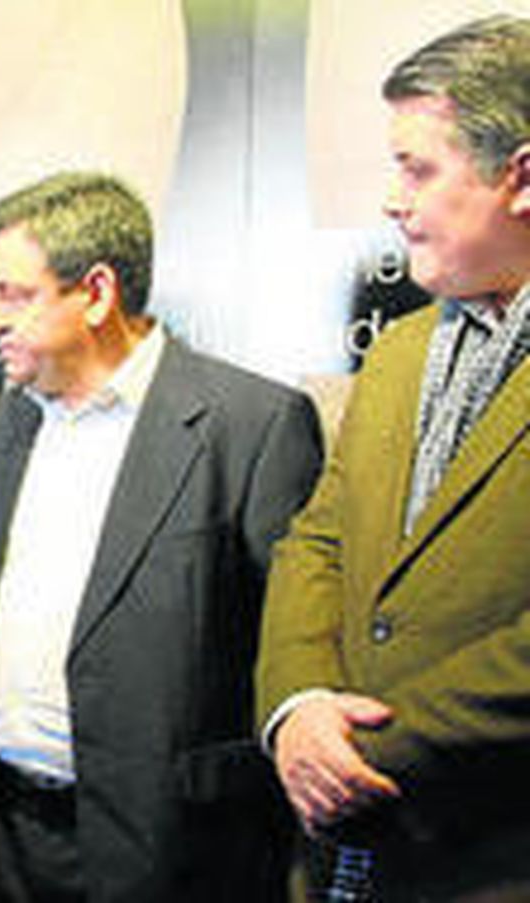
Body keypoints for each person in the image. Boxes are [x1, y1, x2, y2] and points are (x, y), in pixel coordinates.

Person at [0, 172, 323, 901]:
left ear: (95, 292)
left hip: (169, 848)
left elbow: (292, 639)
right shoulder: (16, 417)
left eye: (13, 294)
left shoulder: (252, 424)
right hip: (7, 835)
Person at [256, 16, 530, 899]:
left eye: (417, 167)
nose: (391, 198)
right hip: (346, 860)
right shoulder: (400, 350)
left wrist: (355, 750)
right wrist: (296, 711)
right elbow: (317, 543)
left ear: (521, 177)